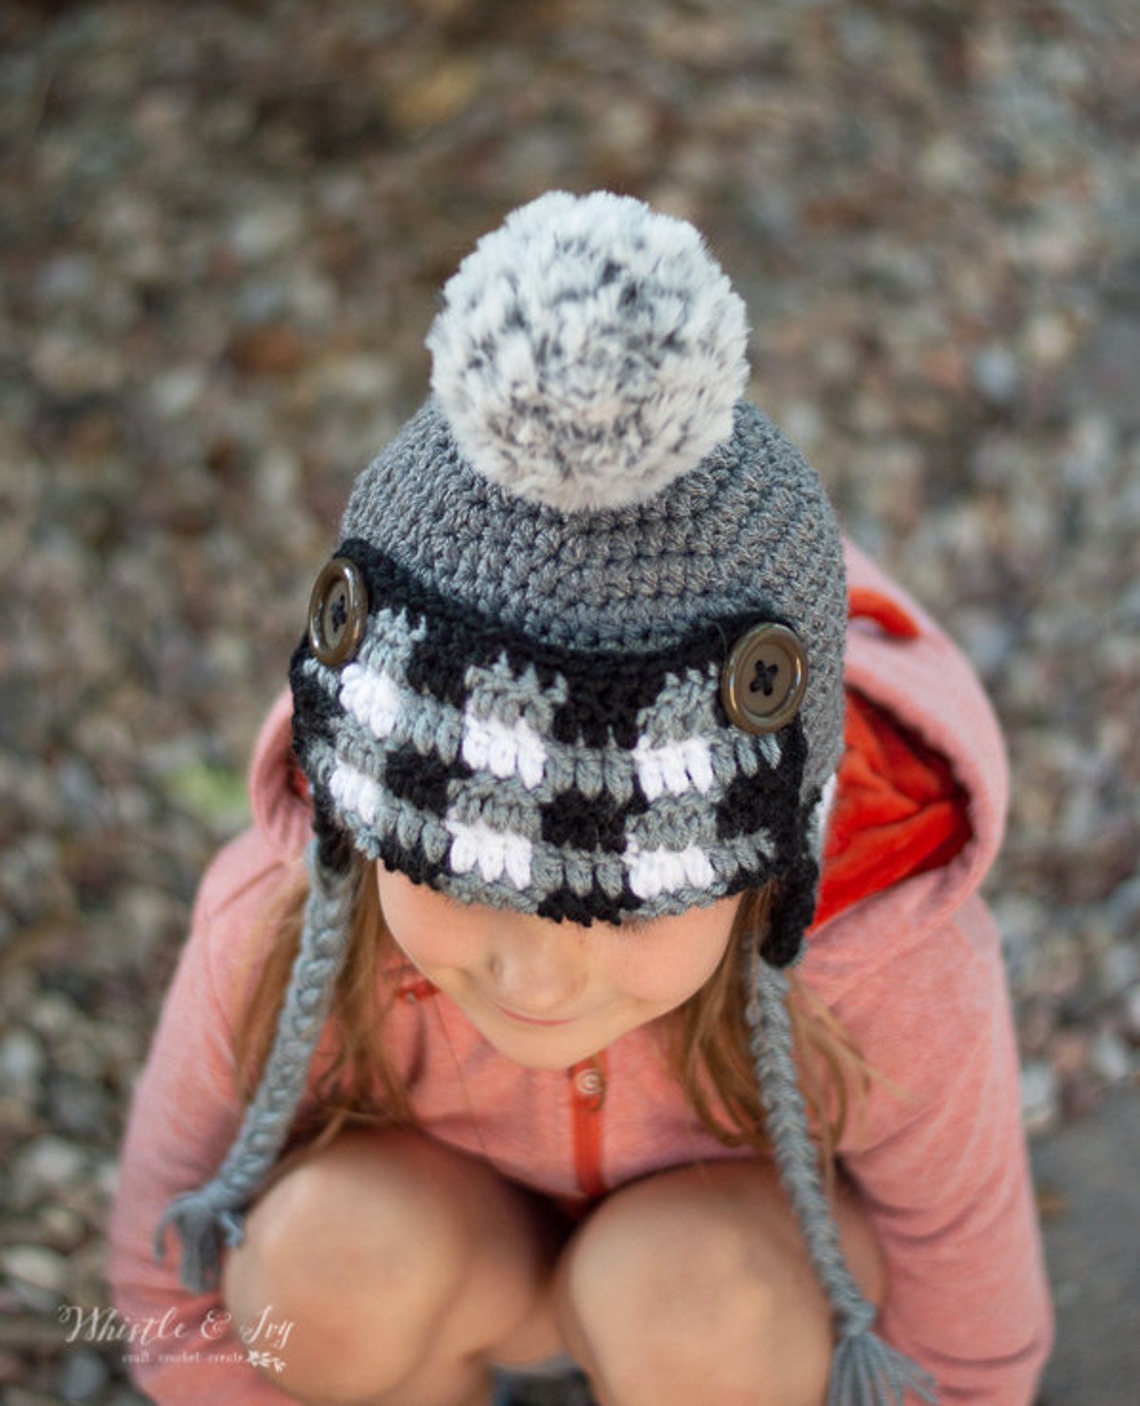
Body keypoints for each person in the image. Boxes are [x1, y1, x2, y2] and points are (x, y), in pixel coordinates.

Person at [109, 191, 1053, 1406]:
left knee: (689, 1300)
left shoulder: (891, 963)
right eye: (456, 879)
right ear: (365, 807)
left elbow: (971, 1343)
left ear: (770, 859)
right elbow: (166, 1292)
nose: (537, 979)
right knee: (314, 1272)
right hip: (440, 1248)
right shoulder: (276, 923)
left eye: (624, 903)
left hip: (734, 1286)